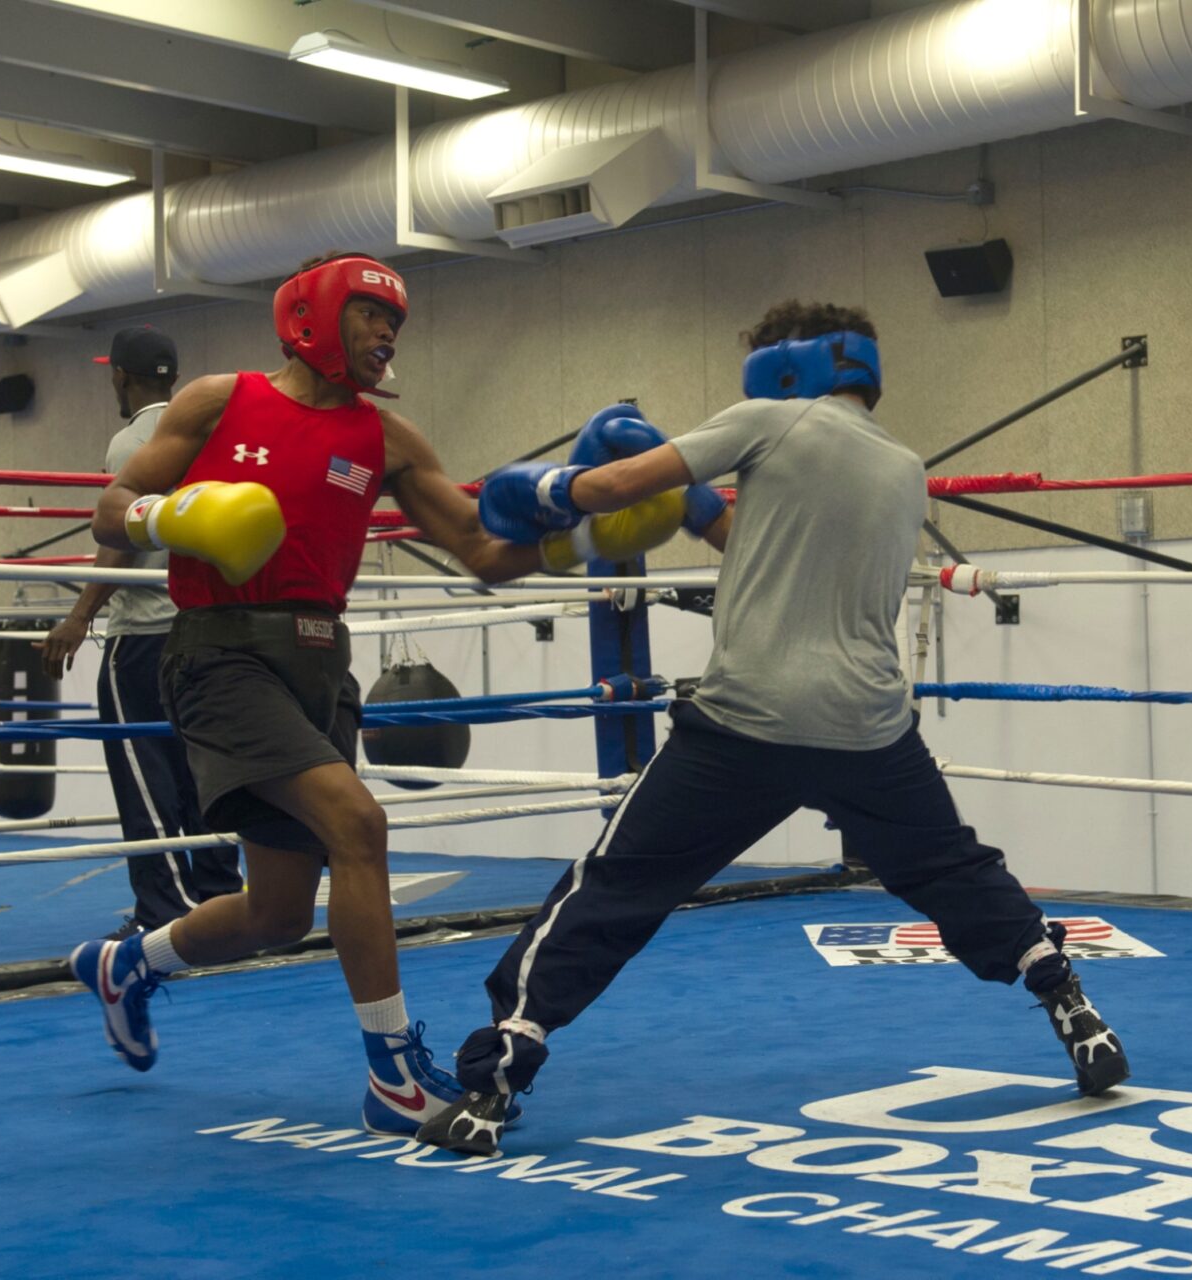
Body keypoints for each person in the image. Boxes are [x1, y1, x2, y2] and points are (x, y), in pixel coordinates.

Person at [418, 300, 1129, 1158]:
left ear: (786, 367)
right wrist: (691, 506)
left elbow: (605, 488)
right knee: (952, 869)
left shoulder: (767, 420)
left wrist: (533, 489)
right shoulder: (906, 466)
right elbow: (756, 542)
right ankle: (1071, 1006)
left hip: (747, 722)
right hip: (869, 727)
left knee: (616, 884)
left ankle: (493, 1086)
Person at [65, 252, 703, 1134]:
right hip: (220, 655)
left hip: (322, 664)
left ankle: (129, 964)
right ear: (311, 316)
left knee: (279, 913)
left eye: (395, 322)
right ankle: (396, 1077)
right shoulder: (220, 400)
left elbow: (483, 553)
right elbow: (112, 506)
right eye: (370, 313)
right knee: (358, 824)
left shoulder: (387, 441)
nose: (386, 333)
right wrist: (170, 516)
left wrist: (588, 542)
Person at [41, 327, 243, 939]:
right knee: (205, 771)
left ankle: (166, 912)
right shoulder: (218, 433)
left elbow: (120, 541)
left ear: (120, 377)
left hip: (146, 638)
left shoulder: (133, 441)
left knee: (145, 775)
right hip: (210, 631)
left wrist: (79, 617)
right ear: (173, 377)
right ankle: (219, 901)